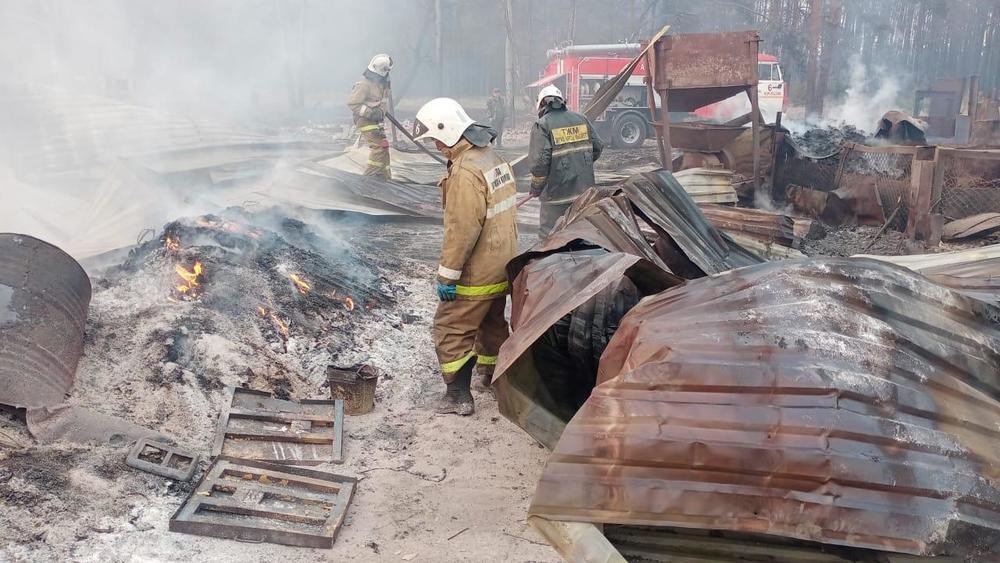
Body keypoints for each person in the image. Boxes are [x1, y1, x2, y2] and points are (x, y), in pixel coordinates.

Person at [413, 97, 518, 415]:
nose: (435, 145)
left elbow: (462, 230)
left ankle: (458, 396)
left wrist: (448, 275)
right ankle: (494, 379)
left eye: (435, 138)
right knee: (491, 324)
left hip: (477, 271)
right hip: (503, 265)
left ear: (447, 130)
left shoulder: (464, 172)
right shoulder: (491, 157)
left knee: (450, 327)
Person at [528, 84, 604, 237]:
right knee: (581, 234)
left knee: (550, 237)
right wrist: (580, 165)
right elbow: (597, 147)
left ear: (542, 104)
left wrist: (536, 188)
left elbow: (540, 165)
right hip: (584, 194)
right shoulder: (581, 119)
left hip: (556, 197)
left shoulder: (542, 125)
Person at [346, 53, 393, 180]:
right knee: (378, 148)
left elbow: (383, 102)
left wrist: (381, 112)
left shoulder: (382, 84)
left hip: (377, 121)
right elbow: (352, 103)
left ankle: (385, 179)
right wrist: (370, 113)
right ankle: (367, 180)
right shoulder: (364, 85)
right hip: (365, 120)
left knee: (384, 147)